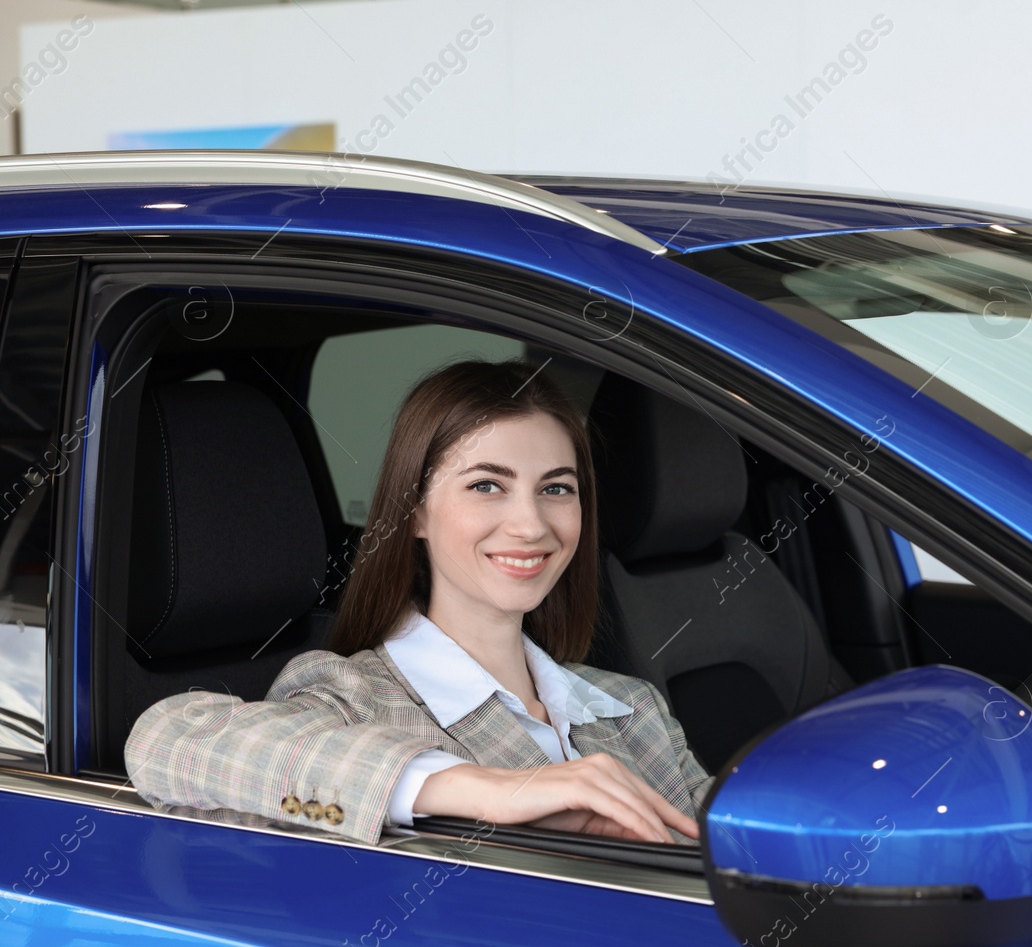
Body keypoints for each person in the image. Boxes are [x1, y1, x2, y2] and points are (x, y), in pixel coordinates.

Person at [125, 359, 711, 848]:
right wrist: (484, 789)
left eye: (556, 488)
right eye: (487, 485)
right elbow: (167, 742)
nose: (531, 525)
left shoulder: (633, 709)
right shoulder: (354, 699)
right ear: (416, 513)